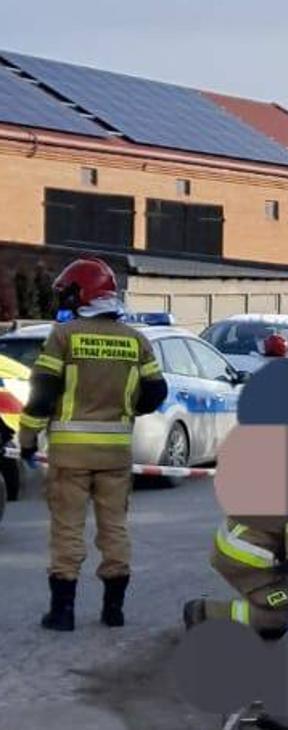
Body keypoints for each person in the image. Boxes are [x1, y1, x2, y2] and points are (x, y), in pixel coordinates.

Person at [17, 258, 168, 631]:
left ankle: (63, 613)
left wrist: (27, 437)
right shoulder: (136, 340)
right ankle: (113, 611)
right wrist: (126, 408)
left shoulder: (64, 336)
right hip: (115, 453)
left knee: (67, 529)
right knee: (114, 528)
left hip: (70, 454)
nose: (65, 299)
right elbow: (156, 392)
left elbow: (42, 394)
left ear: (82, 293)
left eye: (69, 292)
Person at [182, 499, 288, 638]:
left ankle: (264, 630)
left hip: (241, 545)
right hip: (243, 558)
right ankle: (204, 613)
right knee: (286, 611)